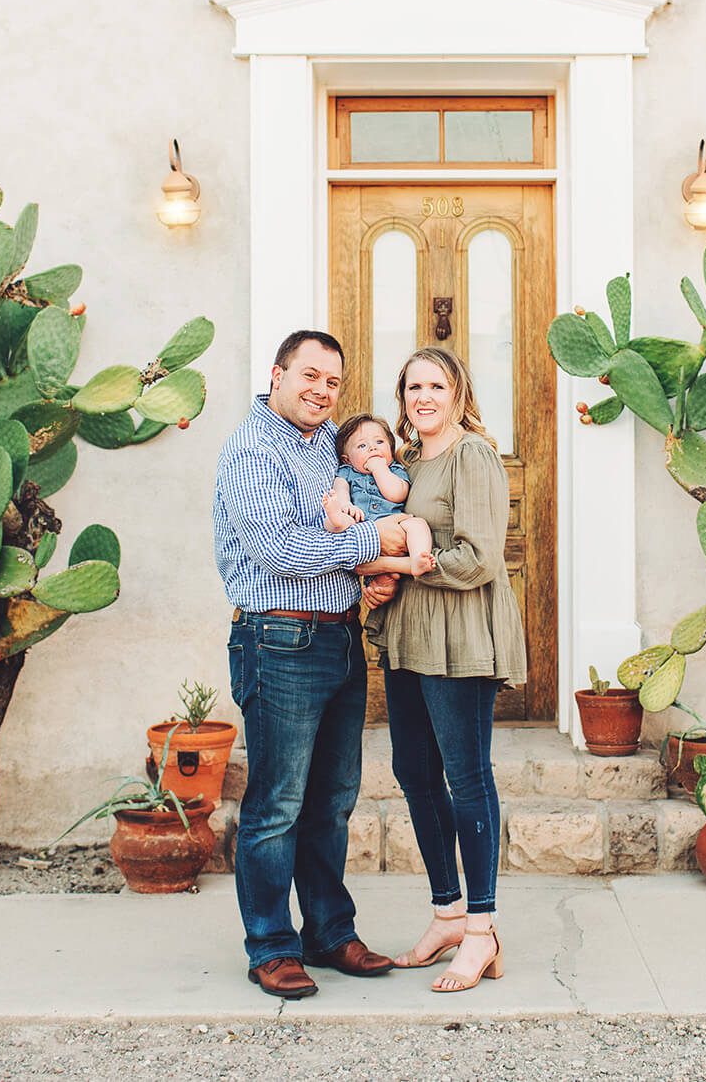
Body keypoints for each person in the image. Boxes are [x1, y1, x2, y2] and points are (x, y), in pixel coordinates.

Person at [213, 329, 408, 1000]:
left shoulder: (325, 444)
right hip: (278, 640)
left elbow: (355, 510)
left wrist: (373, 573)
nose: (322, 391)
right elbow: (278, 550)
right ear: (277, 373)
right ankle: (271, 944)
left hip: (337, 637)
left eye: (333, 381)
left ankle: (328, 929)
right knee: (277, 804)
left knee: (332, 800)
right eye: (310, 376)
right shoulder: (251, 449)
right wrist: (372, 539)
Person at [365, 345, 527, 994]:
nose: (422, 397)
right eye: (412, 387)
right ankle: (448, 914)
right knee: (414, 771)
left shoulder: (473, 455)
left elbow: (482, 557)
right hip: (412, 638)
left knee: (466, 776)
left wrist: (402, 566)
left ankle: (484, 932)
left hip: (460, 639)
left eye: (435, 385)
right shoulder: (408, 464)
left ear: (458, 392)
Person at [329, 413, 437, 576]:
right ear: (347, 459)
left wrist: (379, 468)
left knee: (418, 524)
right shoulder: (348, 472)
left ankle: (417, 559)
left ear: (391, 449)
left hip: (394, 525)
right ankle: (336, 520)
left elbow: (397, 494)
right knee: (334, 522)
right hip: (360, 525)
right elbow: (340, 487)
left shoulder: (395, 469)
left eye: (379, 442)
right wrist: (346, 505)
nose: (373, 448)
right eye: (362, 446)